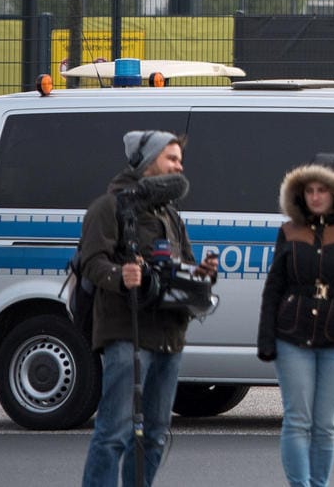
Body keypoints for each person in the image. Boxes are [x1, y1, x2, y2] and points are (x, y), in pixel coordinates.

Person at [78, 129, 219, 487]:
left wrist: (199, 273)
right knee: (113, 433)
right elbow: (91, 262)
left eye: (180, 159)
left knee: (155, 435)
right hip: (127, 333)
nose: (179, 165)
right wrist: (119, 274)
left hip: (169, 335)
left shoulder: (170, 213)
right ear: (148, 161)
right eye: (172, 158)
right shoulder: (109, 206)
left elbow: (182, 262)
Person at [257, 160, 334, 487]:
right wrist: (266, 340)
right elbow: (273, 289)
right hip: (291, 338)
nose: (315, 196)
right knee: (297, 421)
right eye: (309, 190)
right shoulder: (289, 231)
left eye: (322, 189)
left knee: (326, 425)